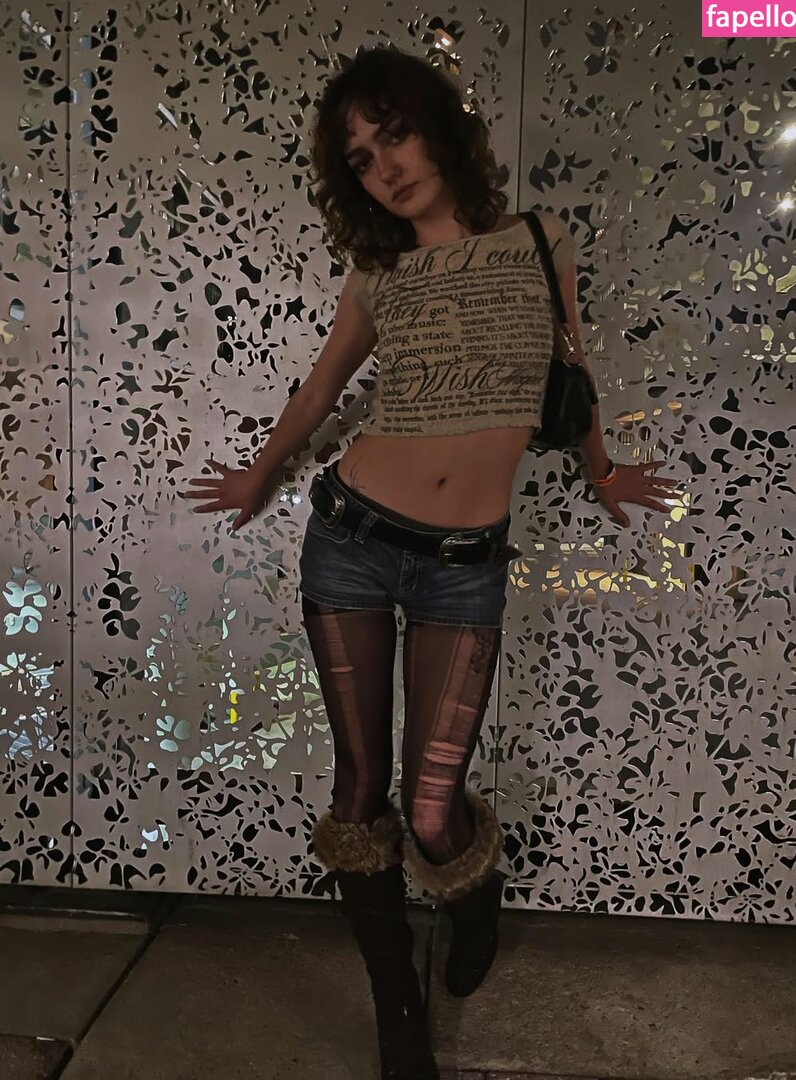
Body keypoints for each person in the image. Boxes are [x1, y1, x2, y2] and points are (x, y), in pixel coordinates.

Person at [181, 44, 677, 1080]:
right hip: (351, 545)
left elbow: (571, 369)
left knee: (434, 806)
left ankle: (471, 888)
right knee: (360, 790)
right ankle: (396, 1007)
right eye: (361, 159)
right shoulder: (381, 273)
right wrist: (260, 475)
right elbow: (322, 392)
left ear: (440, 128)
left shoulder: (537, 240)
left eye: (395, 135)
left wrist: (600, 471)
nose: (386, 167)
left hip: (465, 565)